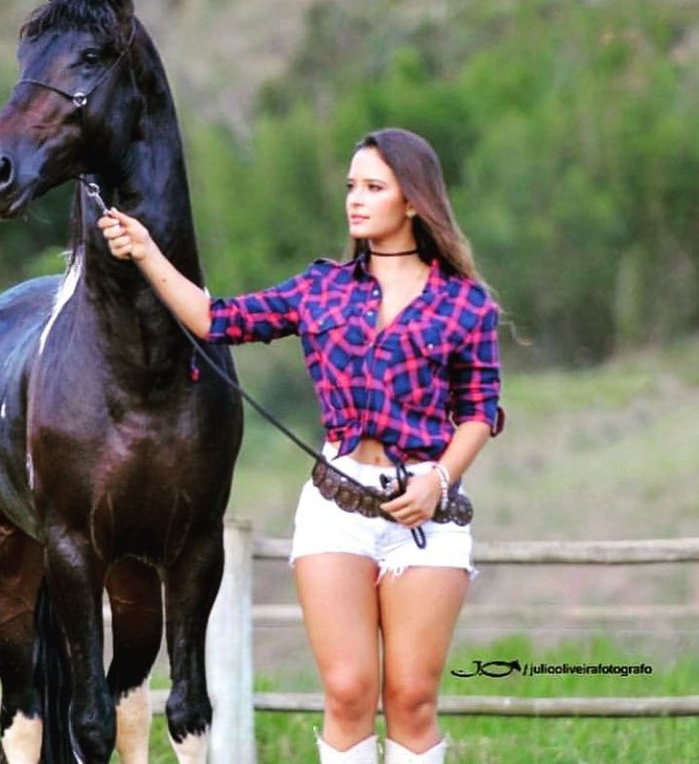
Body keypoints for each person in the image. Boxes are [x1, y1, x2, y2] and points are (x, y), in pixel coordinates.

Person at [98, 128, 503, 764]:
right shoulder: (321, 289)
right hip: (336, 507)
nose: (355, 200)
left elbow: (480, 413)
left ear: (415, 202)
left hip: (426, 514)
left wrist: (438, 483)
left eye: (373, 187)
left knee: (412, 696)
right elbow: (215, 319)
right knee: (346, 691)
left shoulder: (466, 304)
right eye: (351, 187)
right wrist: (147, 252)